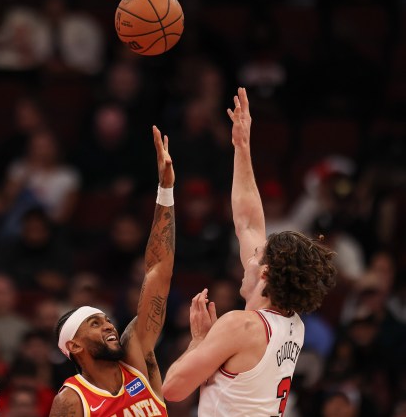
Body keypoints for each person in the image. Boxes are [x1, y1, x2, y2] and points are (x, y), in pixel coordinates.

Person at [162, 88, 338, 415]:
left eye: (259, 256)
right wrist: (241, 148)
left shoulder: (241, 326)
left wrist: (199, 340)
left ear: (267, 273)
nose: (250, 257)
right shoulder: (292, 324)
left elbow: (173, 389)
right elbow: (248, 223)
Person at [49, 126, 175, 416]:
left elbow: (158, 272)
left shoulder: (137, 359)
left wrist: (165, 191)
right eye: (94, 323)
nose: (109, 325)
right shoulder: (71, 401)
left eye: (105, 319)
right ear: (74, 345)